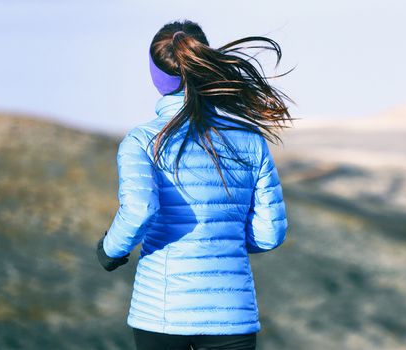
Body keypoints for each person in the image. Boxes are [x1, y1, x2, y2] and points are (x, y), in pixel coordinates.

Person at [95, 19, 293, 350]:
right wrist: (224, 241)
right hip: (233, 316)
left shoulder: (142, 141)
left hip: (161, 312)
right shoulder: (250, 139)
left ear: (156, 77)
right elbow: (270, 234)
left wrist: (109, 250)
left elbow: (140, 210)